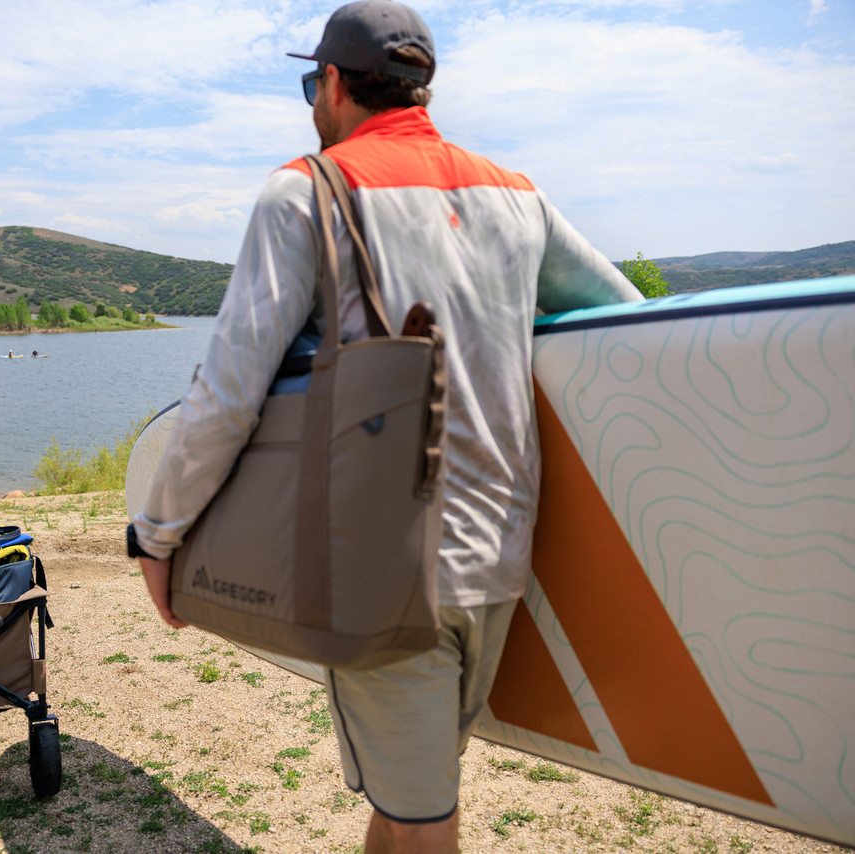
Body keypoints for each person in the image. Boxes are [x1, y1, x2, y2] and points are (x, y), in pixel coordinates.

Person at [128, 3, 644, 852]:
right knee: (411, 800)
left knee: (425, 819)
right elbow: (627, 323)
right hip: (504, 557)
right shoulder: (517, 196)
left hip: (384, 569)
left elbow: (226, 394)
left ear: (332, 83)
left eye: (310, 84)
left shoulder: (306, 190)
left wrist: (158, 535)